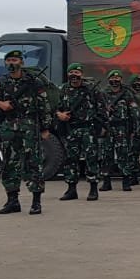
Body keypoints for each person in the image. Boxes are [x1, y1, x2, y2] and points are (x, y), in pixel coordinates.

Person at [0, 50, 52, 215]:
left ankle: (36, 202)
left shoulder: (34, 82)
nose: (12, 63)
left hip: (29, 127)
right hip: (9, 128)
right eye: (9, 60)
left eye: (15, 60)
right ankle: (12, 201)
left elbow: (44, 106)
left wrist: (45, 128)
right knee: (9, 164)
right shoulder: (0, 82)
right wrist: (0, 104)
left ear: (21, 62)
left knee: (34, 164)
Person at [55, 63, 107, 201]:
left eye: (77, 73)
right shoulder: (62, 89)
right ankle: (71, 189)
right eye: (71, 72)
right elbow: (54, 108)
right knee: (70, 159)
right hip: (70, 129)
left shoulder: (92, 89)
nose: (74, 75)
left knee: (91, 158)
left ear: (81, 74)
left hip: (88, 129)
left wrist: (101, 127)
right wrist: (60, 115)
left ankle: (93, 189)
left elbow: (102, 109)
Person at [100, 69, 140, 192]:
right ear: (108, 79)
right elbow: (98, 111)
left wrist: (134, 129)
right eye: (112, 78)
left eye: (117, 78)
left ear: (121, 80)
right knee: (106, 155)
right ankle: (106, 182)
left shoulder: (127, 93)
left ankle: (126, 181)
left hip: (122, 128)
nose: (115, 80)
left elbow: (134, 112)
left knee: (123, 154)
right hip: (107, 128)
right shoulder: (103, 93)